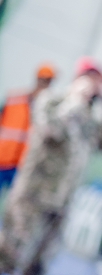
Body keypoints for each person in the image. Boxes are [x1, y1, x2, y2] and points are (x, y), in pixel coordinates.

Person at [0, 56, 102, 275]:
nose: (93, 86)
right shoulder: (52, 101)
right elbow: (51, 129)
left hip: (62, 198)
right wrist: (74, 101)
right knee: (9, 248)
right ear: (78, 78)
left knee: (42, 256)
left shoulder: (90, 117)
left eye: (99, 82)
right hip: (33, 192)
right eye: (90, 78)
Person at [0, 63, 55, 191]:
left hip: (24, 165)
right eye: (43, 79)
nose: (44, 84)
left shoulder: (48, 108)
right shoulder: (14, 98)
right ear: (36, 79)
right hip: (3, 157)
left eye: (48, 81)